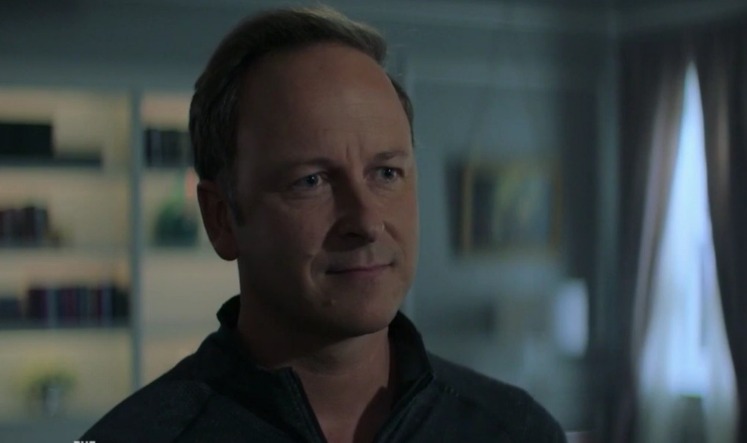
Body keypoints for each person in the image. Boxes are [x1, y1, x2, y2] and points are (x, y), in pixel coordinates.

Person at [81, 6, 566, 443]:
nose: (367, 222)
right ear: (221, 218)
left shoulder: (515, 431)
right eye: (310, 180)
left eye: (386, 173)